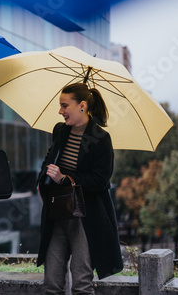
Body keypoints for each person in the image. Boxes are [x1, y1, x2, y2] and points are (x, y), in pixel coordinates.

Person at [37, 83, 123, 294]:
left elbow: (100, 181)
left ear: (82, 105)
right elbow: (49, 162)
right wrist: (43, 182)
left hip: (85, 216)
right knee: (51, 284)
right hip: (56, 213)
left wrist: (65, 179)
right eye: (60, 105)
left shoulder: (101, 138)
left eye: (65, 105)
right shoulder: (60, 131)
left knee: (82, 284)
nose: (60, 111)